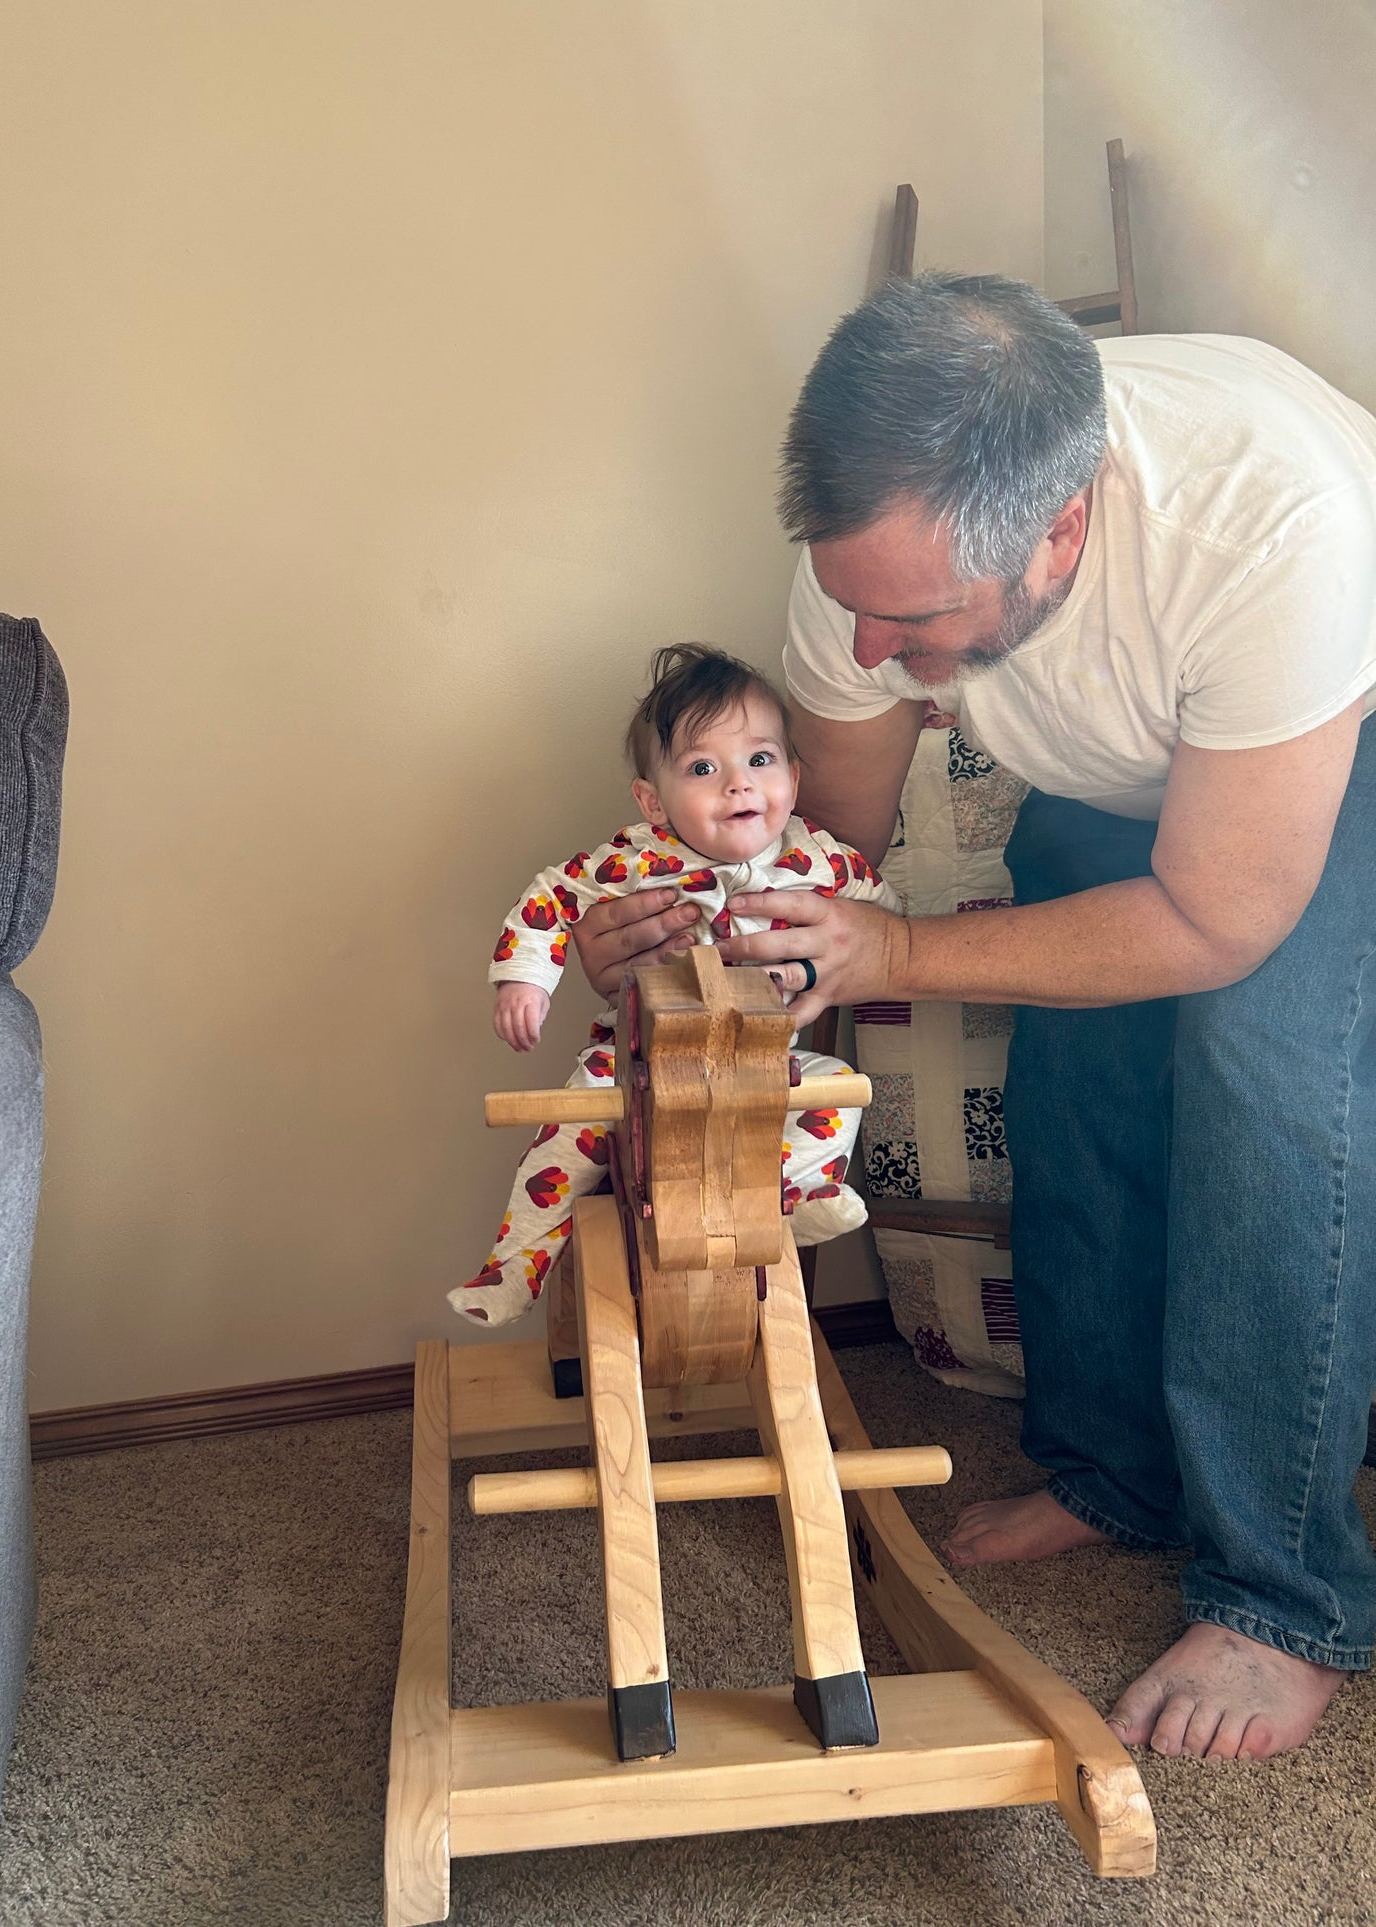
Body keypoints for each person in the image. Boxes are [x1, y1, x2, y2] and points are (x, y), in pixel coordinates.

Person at [568, 273, 1376, 1764]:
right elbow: (837, 852)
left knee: (1273, 1093)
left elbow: (1217, 916)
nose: (866, 655)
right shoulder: (877, 561)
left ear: (1058, 531)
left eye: (913, 619)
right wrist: (690, 920)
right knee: (1076, 1068)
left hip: (1329, 728)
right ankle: (1115, 1467)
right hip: (1130, 738)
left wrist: (893, 954)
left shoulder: (1272, 530)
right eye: (851, 604)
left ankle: (1287, 1596)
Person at [447, 643, 899, 1328]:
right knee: (565, 1136)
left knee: (834, 1087)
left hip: (762, 1057)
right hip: (633, 1061)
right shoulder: (636, 858)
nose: (738, 784)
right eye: (701, 768)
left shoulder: (820, 857)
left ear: (794, 776)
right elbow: (552, 895)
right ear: (652, 801)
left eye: (759, 759)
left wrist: (875, 943)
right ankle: (516, 1266)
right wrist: (525, 979)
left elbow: (886, 919)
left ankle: (797, 1191)